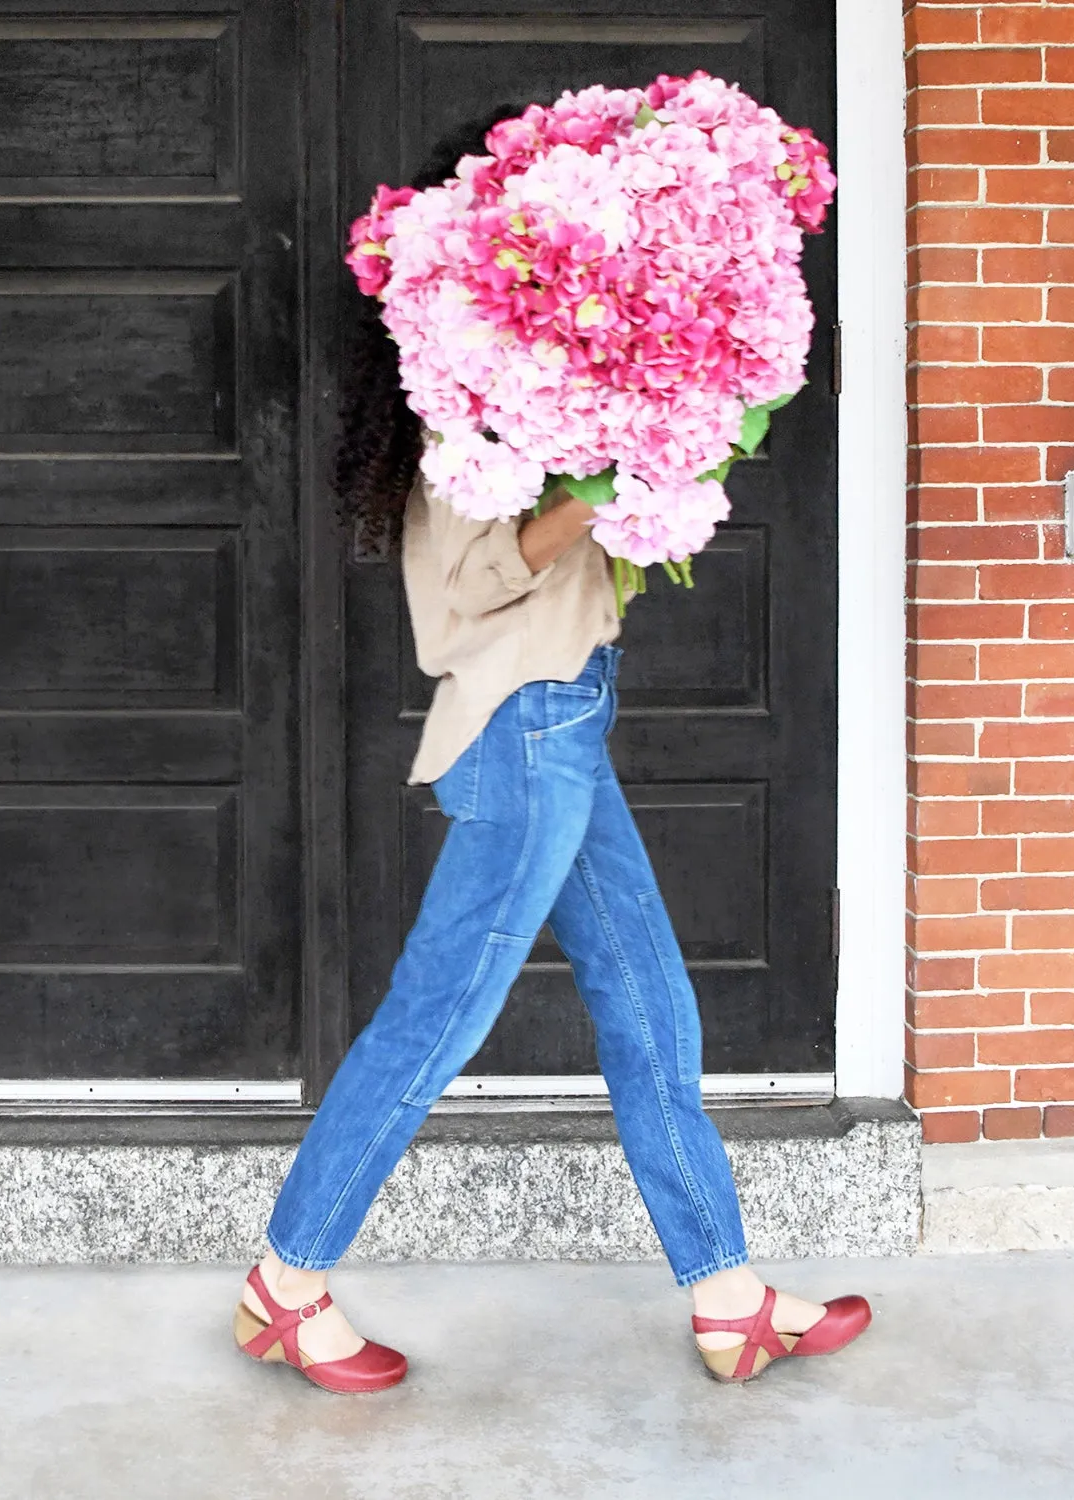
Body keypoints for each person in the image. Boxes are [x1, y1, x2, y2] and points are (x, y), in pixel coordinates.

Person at [231, 112, 872, 1392]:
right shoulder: (459, 420)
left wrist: (655, 422)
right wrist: (607, 481)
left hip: (566, 720)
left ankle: (728, 1297)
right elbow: (459, 596)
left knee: (650, 1013)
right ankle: (286, 1283)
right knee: (435, 1020)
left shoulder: (536, 400)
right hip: (523, 736)